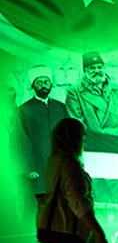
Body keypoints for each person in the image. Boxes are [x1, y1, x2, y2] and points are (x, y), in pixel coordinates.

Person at [19, 65, 68, 195]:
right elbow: (21, 139)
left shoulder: (61, 107)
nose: (43, 86)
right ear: (33, 86)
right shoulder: (24, 110)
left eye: (46, 82)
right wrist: (29, 167)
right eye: (39, 83)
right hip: (38, 166)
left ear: (51, 84)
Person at [65, 51, 118, 137]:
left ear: (104, 68)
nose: (97, 71)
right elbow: (77, 121)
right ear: (85, 70)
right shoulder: (74, 92)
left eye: (99, 67)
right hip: (99, 141)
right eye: (92, 68)